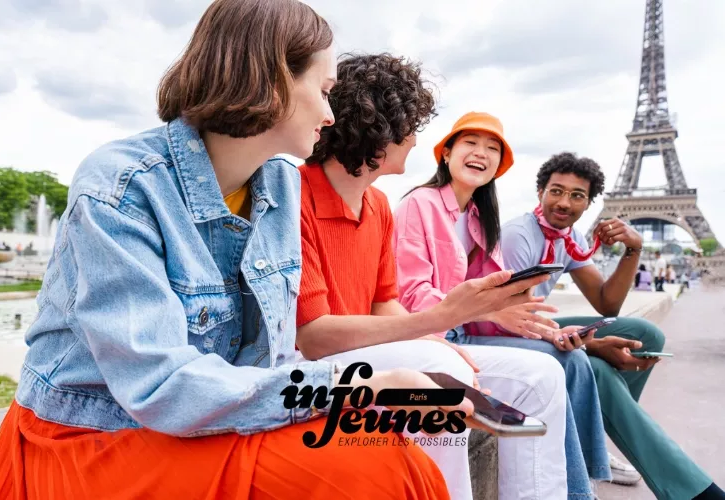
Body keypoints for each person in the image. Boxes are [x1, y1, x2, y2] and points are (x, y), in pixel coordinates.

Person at [0, 3, 458, 499]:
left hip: (201, 421)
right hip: (93, 435)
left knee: (388, 454)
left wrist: (373, 390)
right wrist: (347, 386)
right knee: (370, 471)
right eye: (325, 90)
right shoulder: (122, 187)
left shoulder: (279, 187)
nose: (331, 114)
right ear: (272, 78)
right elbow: (158, 385)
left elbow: (266, 361)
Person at [296, 56, 568, 500]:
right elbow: (312, 338)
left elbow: (386, 302)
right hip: (316, 366)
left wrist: (433, 336)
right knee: (442, 373)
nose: (417, 139)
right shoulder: (297, 196)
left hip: (371, 351)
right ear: (379, 131)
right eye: (410, 127)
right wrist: (436, 326)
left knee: (542, 376)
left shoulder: (380, 206)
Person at [393, 112, 610, 499]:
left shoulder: (480, 219)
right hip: (432, 341)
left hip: (466, 337)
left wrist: (548, 331)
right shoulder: (419, 205)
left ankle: (586, 482)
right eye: (470, 143)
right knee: (551, 372)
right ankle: (582, 490)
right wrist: (485, 310)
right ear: (446, 154)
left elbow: (500, 304)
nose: (481, 153)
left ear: (499, 166)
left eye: (492, 149)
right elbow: (412, 297)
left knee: (568, 358)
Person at [499, 152, 725, 500]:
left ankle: (599, 437)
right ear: (540, 192)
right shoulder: (520, 235)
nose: (564, 202)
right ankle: (690, 491)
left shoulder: (568, 239)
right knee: (597, 369)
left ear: (589, 204)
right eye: (556, 191)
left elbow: (607, 304)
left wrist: (633, 250)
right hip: (502, 331)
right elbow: (516, 320)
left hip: (532, 321)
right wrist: (590, 345)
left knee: (646, 335)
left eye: (577, 195)